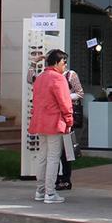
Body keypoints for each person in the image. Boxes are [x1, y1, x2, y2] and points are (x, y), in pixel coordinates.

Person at [28, 55, 83, 191]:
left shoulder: (42, 77)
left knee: (45, 155)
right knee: (54, 156)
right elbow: (64, 102)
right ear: (57, 62)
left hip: (41, 121)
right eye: (63, 61)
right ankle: (50, 191)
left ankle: (41, 189)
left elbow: (32, 82)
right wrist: (69, 119)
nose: (65, 64)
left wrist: (33, 63)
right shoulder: (57, 78)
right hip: (56, 121)